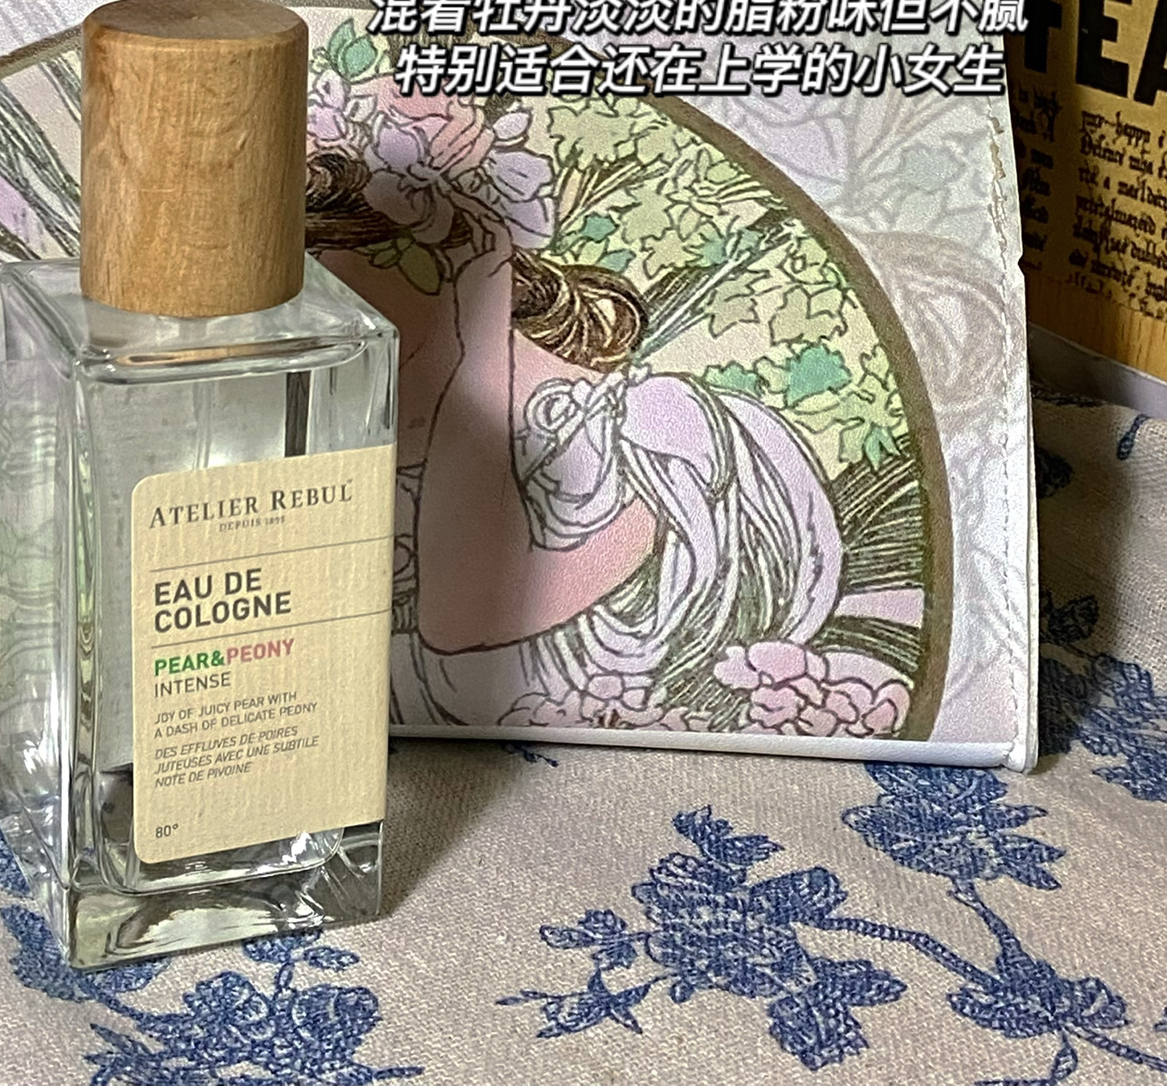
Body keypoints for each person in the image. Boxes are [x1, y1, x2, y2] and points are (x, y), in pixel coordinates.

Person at [304, 77, 923, 737]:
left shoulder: (646, 435)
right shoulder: (396, 460)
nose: (335, 386)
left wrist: (478, 345)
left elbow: (460, 625)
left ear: (460, 279)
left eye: (368, 337)